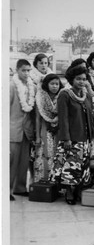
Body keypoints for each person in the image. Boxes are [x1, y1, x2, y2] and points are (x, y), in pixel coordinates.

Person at [49, 65, 94, 204]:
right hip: (71, 138)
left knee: (82, 166)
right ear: (71, 79)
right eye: (78, 79)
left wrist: (92, 137)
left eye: (84, 79)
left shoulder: (86, 95)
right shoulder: (65, 94)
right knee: (69, 166)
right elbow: (63, 119)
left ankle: (78, 190)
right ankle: (68, 192)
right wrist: (66, 139)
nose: (81, 82)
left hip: (85, 137)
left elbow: (90, 116)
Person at [10, 59, 36, 200]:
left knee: (24, 161)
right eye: (23, 70)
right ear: (17, 70)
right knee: (11, 161)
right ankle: (6, 190)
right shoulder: (11, 86)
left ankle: (20, 188)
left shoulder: (31, 85)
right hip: (13, 130)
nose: (26, 73)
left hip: (27, 130)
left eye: (28, 70)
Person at [34, 73, 61, 182]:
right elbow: (37, 118)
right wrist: (37, 137)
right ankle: (44, 181)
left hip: (59, 131)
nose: (55, 86)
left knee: (57, 156)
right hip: (45, 130)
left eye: (57, 84)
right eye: (52, 84)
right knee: (45, 154)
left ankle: (56, 184)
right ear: (46, 84)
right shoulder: (41, 98)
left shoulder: (62, 96)